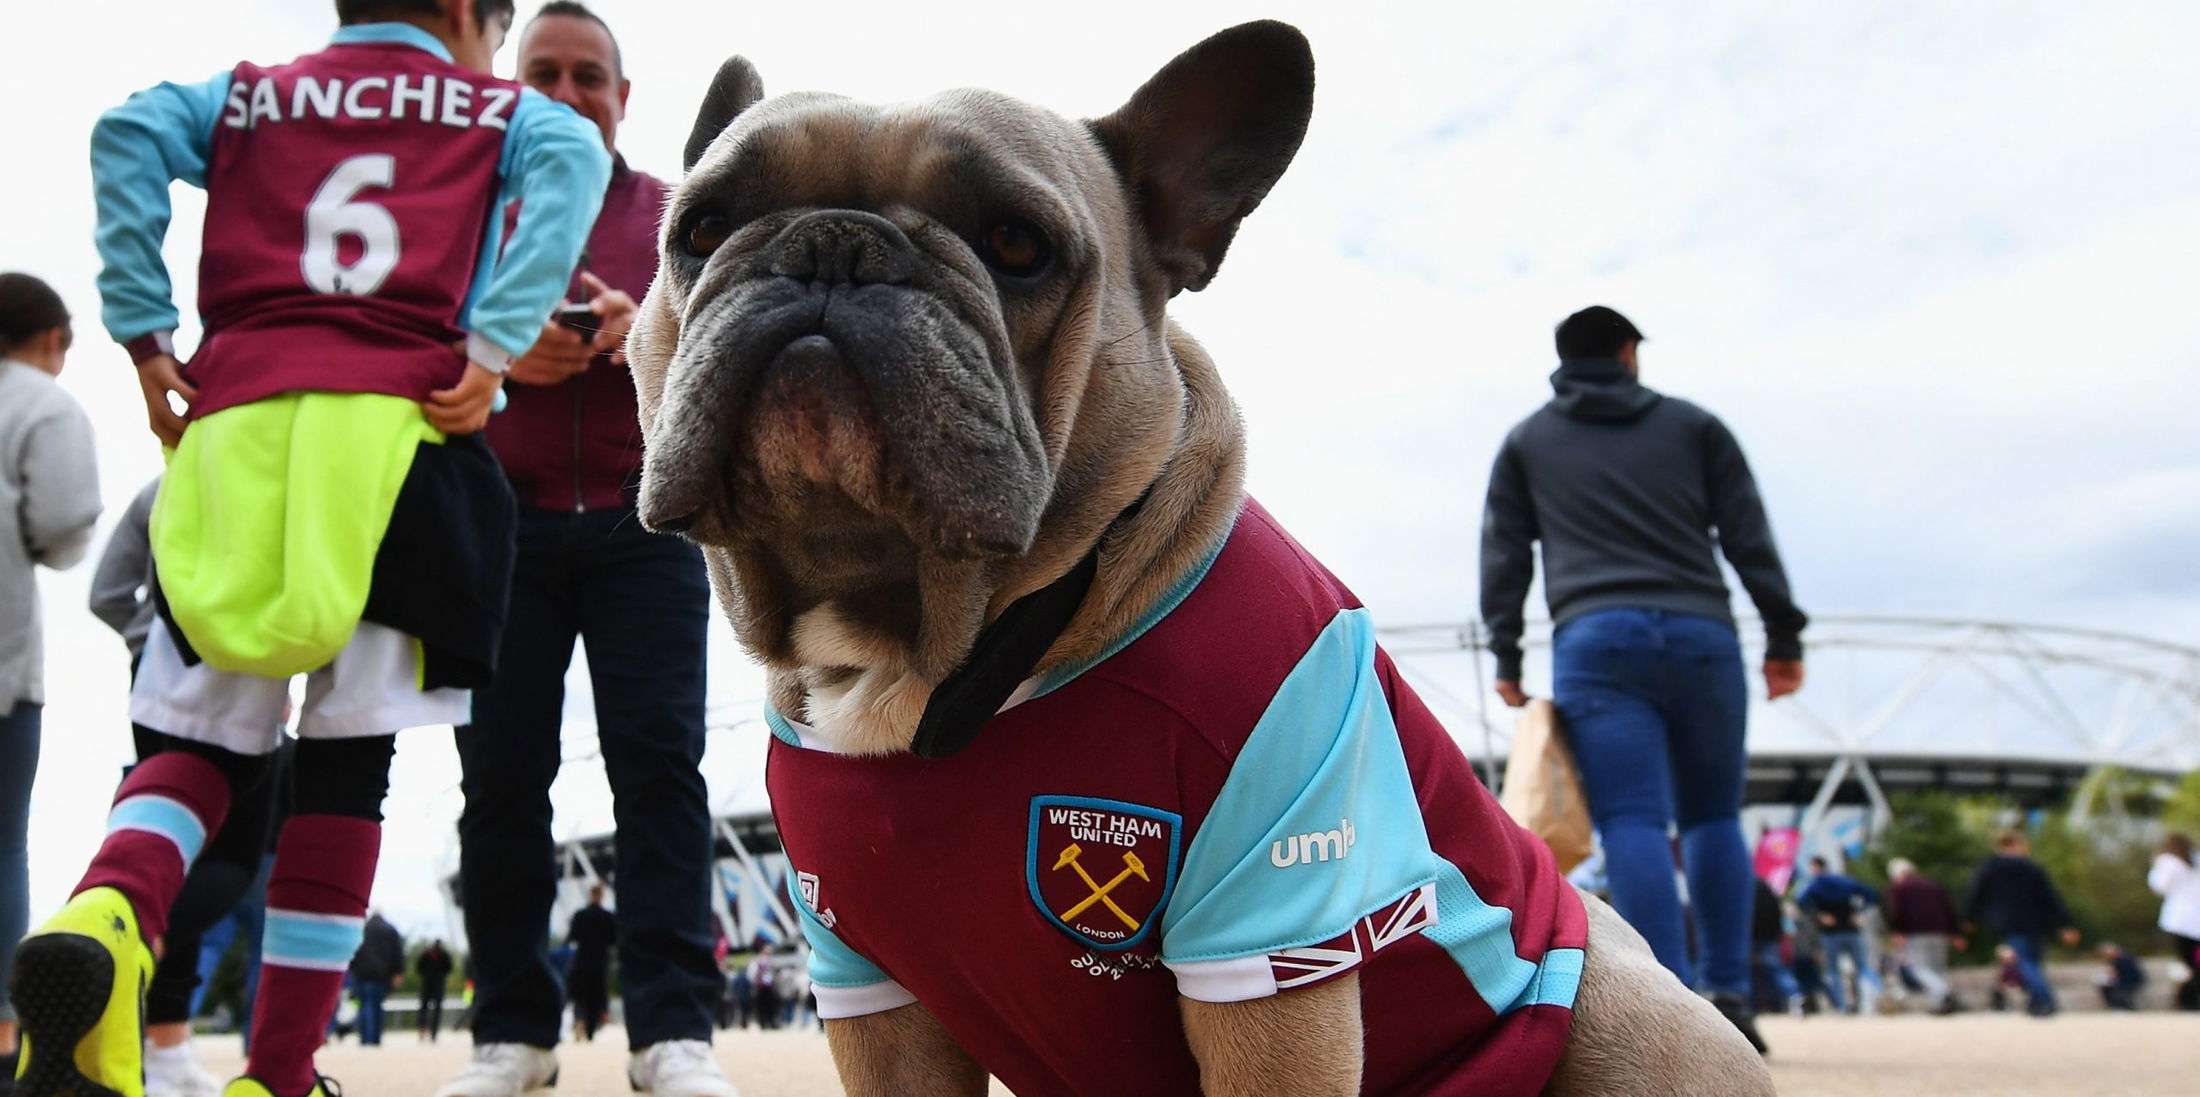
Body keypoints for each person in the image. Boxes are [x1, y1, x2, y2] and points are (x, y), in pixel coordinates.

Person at [7, 3, 609, 1096]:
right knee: (345, 771)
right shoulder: (484, 104)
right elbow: (569, 151)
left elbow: (126, 132)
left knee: (194, 748)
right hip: (400, 438)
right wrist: (495, 341)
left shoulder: (249, 93)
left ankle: (108, 913)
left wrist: (145, 334)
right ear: (472, 16)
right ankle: (278, 1074)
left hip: (236, 431)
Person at [441, 6, 728, 1097]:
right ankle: (509, 1029)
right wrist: (500, 353)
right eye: (542, 73)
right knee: (498, 778)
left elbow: (729, 349)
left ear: (623, 95)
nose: (564, 92)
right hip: (497, 526)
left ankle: (674, 1031)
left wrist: (637, 324)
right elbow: (413, 340)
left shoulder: (675, 217)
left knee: (660, 768)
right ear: (511, 85)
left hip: (638, 520)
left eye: (587, 76)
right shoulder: (458, 212)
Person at [1479, 304, 1808, 1052]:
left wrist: (1507, 656)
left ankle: (1675, 1004)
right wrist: (1783, 632)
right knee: (1713, 816)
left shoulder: (1528, 440)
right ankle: (1731, 993)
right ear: (1629, 353)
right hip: (1700, 631)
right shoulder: (1695, 426)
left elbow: (1505, 554)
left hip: (1595, 638)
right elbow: (1747, 532)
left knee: (1632, 820)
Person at [90, 478, 294, 1097]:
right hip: (246, 660)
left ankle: (167, 1051)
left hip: (154, 674)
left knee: (169, 847)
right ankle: (108, 947)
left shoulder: (164, 483)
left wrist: (142, 638)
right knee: (231, 860)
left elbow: (106, 593)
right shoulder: (276, 459)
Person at [0, 272, 104, 1093]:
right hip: (3, 668)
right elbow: (66, 528)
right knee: (2, 845)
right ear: (51, 338)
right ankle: (5, 1038)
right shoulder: (37, 401)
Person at [1964, 830, 2082, 1017]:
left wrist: (1969, 918)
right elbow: (2051, 898)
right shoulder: (2032, 868)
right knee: (2031, 961)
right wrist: (2065, 924)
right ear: (2016, 845)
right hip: (2034, 923)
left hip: (2009, 922)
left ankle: (2042, 1000)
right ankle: (2041, 999)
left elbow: (1976, 894)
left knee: (2026, 962)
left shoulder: (1990, 867)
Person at [1797, 856, 1883, 1014]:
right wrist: (1860, 912)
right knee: (1862, 967)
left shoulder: (1816, 883)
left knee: (1833, 971)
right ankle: (1871, 1003)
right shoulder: (1845, 881)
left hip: (1830, 933)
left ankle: (1841, 1007)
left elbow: (1801, 901)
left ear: (1816, 867)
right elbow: (1872, 895)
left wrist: (1819, 915)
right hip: (1852, 930)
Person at [1883, 857, 1963, 1015]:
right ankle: (1939, 1004)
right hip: (1940, 932)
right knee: (1937, 968)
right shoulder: (1933, 885)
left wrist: (1898, 931)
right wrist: (1955, 933)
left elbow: (1897, 912)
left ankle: (1943, 991)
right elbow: (1948, 909)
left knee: (1919, 967)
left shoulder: (1899, 887)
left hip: (1915, 932)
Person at [2146, 832, 2200, 1010]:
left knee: (2190, 964)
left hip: (2180, 921)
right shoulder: (2195, 859)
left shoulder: (2168, 862)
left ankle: (2187, 999)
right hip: (2195, 921)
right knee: (2194, 961)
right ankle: (2189, 998)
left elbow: (2159, 886)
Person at [563, 885, 616, 1044]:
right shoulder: (607, 917)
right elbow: (614, 939)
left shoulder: (580, 915)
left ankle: (579, 1021)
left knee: (580, 996)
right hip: (599, 963)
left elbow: (572, 937)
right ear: (601, 896)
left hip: (581, 961)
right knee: (595, 997)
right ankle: (591, 1031)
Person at [347, 913, 406, 1047]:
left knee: (365, 1005)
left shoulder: (363, 928)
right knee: (377, 1006)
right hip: (381, 975)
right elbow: (398, 952)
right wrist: (398, 972)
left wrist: (353, 969)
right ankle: (375, 1037)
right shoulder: (390, 930)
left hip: (362, 974)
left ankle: (365, 1037)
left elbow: (353, 952)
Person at [1748, 877, 1802, 1016]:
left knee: (1748, 973)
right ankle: (1793, 994)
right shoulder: (1769, 892)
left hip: (1749, 938)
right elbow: (1777, 915)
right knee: (1776, 970)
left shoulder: (1744, 890)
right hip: (1769, 938)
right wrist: (1776, 935)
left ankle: (1750, 1006)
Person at [416, 940, 455, 1040]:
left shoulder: (426, 954)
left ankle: (423, 1028)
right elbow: (449, 968)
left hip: (427, 984)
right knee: (435, 1010)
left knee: (424, 1009)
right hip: (438, 984)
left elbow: (419, 968)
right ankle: (432, 1032)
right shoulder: (444, 955)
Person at [2093, 943, 2146, 1011]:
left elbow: (2122, 973)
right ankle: (2115, 1006)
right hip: (2123, 980)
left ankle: (2126, 1007)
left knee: (2118, 989)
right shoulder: (2115, 960)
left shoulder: (2125, 958)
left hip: (2132, 981)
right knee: (2106, 988)